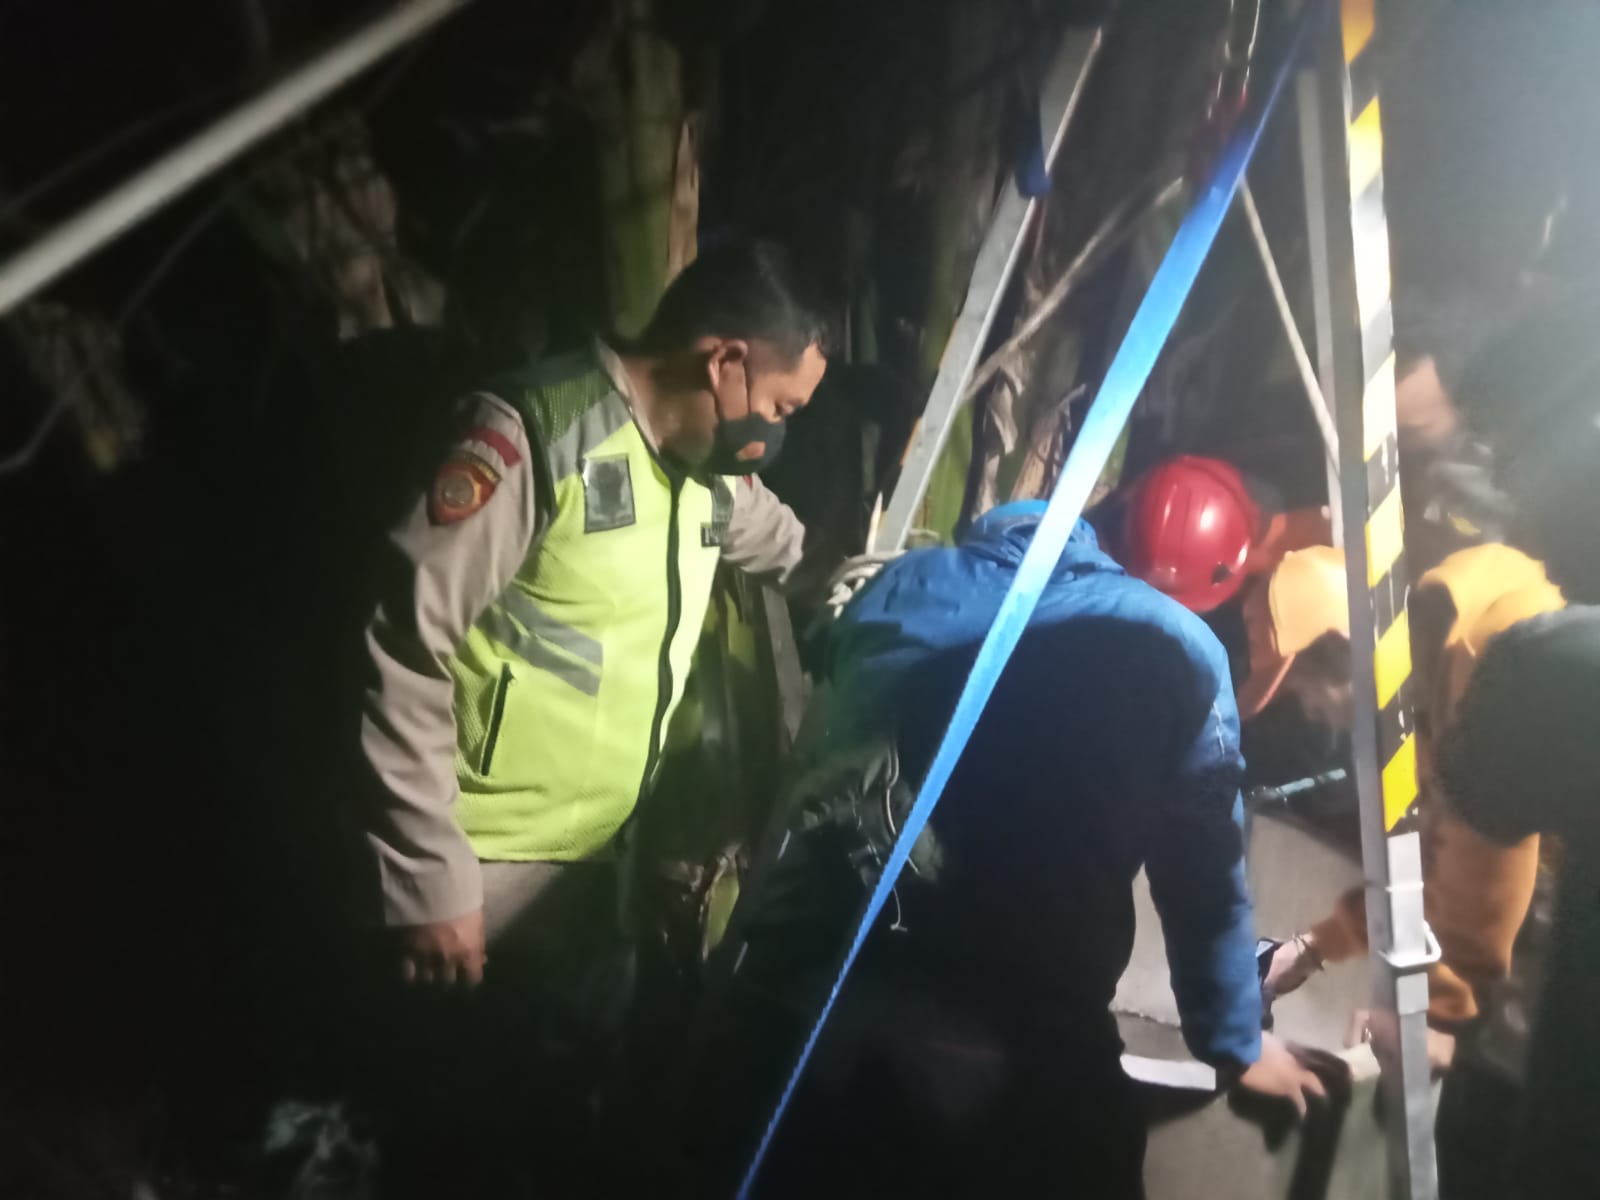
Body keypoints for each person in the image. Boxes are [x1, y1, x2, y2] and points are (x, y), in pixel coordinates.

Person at [352, 239, 828, 1184]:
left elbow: (796, 552)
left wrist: (891, 586)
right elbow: (402, 647)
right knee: (446, 1140)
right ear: (726, 363)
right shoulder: (532, 436)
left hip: (598, 874)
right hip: (480, 878)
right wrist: (429, 880)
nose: (776, 432)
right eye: (780, 407)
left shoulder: (708, 473)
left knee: (555, 1122)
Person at [689, 500, 1324, 1198]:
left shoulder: (900, 584)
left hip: (801, 1006)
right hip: (1008, 1048)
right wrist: (1235, 1041)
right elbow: (1204, 881)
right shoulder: (1180, 650)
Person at [1248, 541, 1565, 1199]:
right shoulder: (1423, 700)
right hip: (1562, 890)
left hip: (1573, 903)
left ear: (1340, 654)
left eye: (1300, 688)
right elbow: (1423, 865)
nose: (1305, 711)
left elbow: (1491, 850)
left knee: (1523, 1137)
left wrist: (1439, 1011)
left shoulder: (1479, 649)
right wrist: (1314, 947)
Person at [1433, 283, 1600, 1199]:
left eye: (1512, 461)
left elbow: (1481, 799)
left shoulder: (1555, 666)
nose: (1514, 510)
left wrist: (1440, 1007)